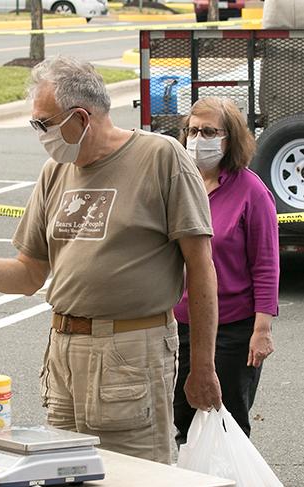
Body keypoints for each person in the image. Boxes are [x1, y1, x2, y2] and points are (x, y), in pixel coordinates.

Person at [0, 55, 222, 464]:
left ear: (80, 118)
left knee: (132, 474)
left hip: (130, 352)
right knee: (63, 471)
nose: (39, 134)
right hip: (63, 350)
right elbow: (29, 273)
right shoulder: (55, 171)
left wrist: (202, 365)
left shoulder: (161, 158)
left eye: (42, 123)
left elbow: (202, 267)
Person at [173, 96, 279, 447]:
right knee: (183, 422)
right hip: (179, 327)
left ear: (230, 138)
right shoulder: (179, 186)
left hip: (233, 330)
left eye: (207, 131)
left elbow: (265, 265)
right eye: (191, 130)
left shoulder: (253, 192)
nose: (196, 138)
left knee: (226, 424)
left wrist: (261, 330)